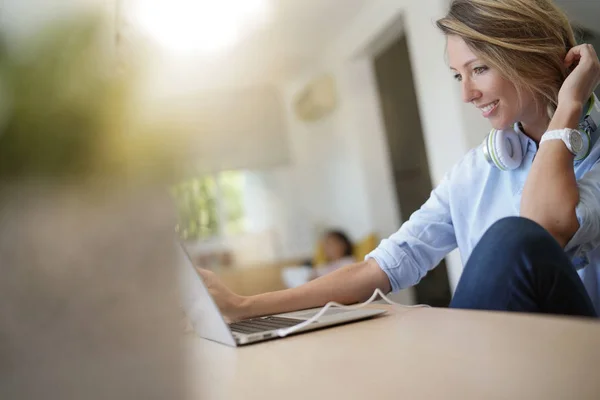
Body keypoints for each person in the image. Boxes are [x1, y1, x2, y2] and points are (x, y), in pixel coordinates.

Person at [200, 0, 600, 322]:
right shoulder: (472, 173)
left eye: (479, 69)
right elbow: (383, 267)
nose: (468, 94)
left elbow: (542, 226)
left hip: (578, 356)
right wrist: (243, 306)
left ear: (530, 58)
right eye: (458, 76)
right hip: (507, 362)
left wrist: (568, 107)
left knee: (513, 237)